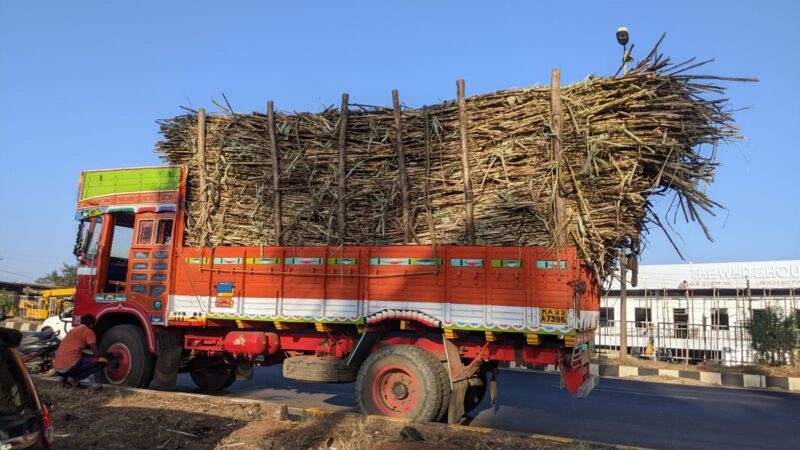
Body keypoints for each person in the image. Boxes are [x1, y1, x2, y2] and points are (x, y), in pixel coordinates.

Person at [53, 314, 107, 387]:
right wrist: (111, 355)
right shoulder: (88, 331)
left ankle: (64, 378)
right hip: (69, 369)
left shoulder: (73, 330)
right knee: (102, 361)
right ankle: (74, 379)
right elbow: (97, 354)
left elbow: (75, 352)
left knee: (86, 359)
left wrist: (90, 356)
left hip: (58, 369)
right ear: (91, 324)